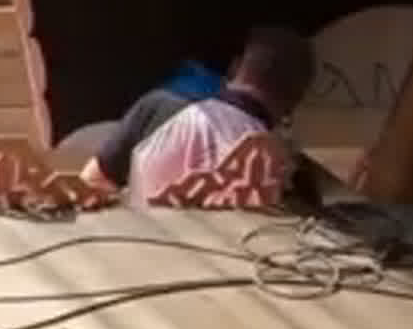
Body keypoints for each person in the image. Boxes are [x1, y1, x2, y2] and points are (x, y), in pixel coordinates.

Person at [96, 27, 318, 205]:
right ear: (291, 107)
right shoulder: (277, 174)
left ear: (234, 68)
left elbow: (93, 184)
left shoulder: (157, 105)